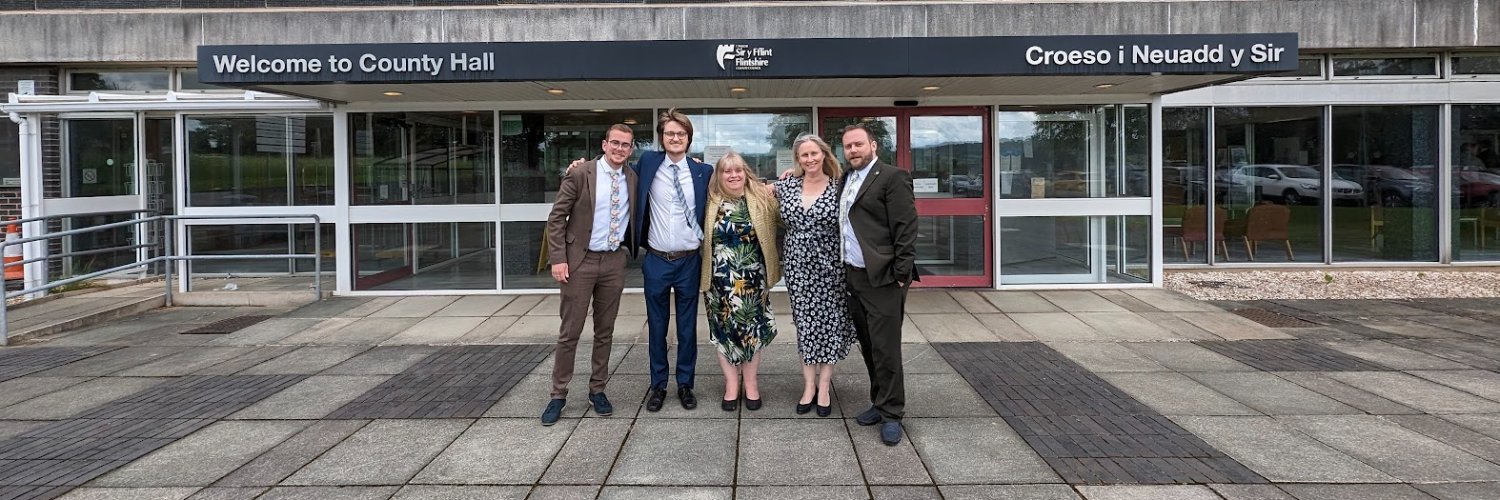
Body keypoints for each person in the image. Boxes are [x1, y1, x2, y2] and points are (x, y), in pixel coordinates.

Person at [572, 109, 711, 411]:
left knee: (687, 328)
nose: (675, 138)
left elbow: (734, 185)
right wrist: (579, 166)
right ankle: (658, 385)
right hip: (657, 260)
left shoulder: (703, 172)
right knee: (657, 327)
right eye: (670, 133)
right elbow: (609, 166)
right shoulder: (647, 164)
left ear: (689, 139)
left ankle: (685, 384)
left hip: (689, 261)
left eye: (681, 134)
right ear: (662, 138)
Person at [540, 124, 638, 426]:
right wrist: (558, 259)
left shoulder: (633, 178)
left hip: (613, 263)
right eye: (616, 143)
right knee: (570, 332)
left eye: (626, 145)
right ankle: (558, 394)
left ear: (631, 149)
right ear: (605, 144)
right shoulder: (581, 173)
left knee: (604, 332)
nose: (620, 149)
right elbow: (557, 217)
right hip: (578, 262)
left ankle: (598, 389)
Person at [837, 123, 919, 446]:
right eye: (848, 146)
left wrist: (901, 274)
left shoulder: (892, 177)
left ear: (873, 145)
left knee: (887, 348)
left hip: (884, 277)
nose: (853, 150)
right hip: (854, 275)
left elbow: (907, 227)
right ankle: (878, 401)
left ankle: (892, 414)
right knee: (869, 345)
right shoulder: (847, 178)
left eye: (858, 144)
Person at [774, 134, 856, 417]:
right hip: (797, 269)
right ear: (797, 160)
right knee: (806, 326)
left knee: (830, 324)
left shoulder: (839, 187)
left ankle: (824, 386)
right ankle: (808, 386)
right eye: (803, 155)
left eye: (813, 153)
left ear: (824, 154)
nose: (809, 159)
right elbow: (749, 188)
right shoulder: (786, 185)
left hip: (829, 267)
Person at [699, 151, 781, 412]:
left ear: (745, 172)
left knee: (752, 334)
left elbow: (789, 216)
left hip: (752, 282)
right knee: (724, 334)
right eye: (727, 171)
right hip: (719, 283)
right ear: (719, 175)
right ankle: (731, 385)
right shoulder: (710, 200)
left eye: (738, 170)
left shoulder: (761, 197)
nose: (733, 175)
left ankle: (752, 384)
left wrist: (790, 179)